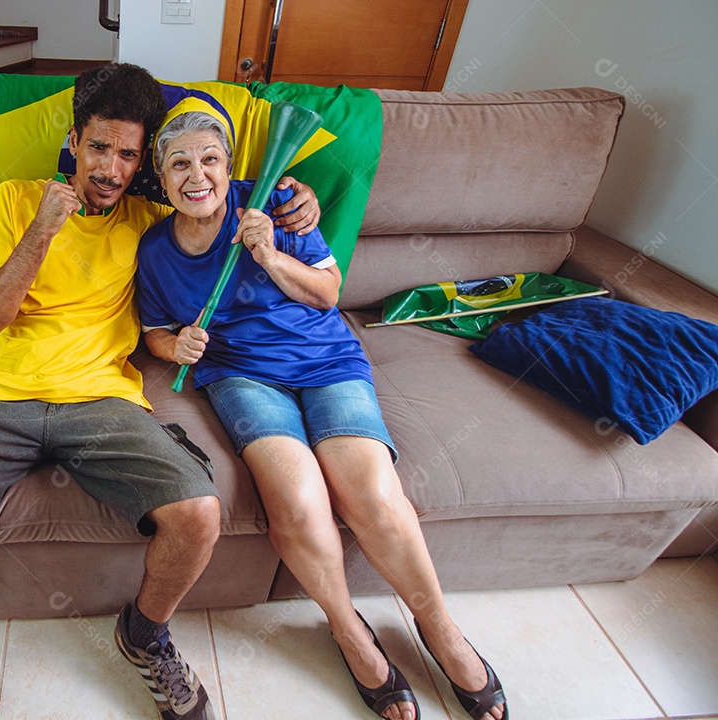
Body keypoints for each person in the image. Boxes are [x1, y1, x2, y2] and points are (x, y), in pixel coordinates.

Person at [0, 64, 320, 720]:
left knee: (199, 514)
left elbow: (223, 197)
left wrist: (299, 201)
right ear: (75, 140)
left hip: (103, 401)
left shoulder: (151, 219)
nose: (111, 168)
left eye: (128, 154)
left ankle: (143, 634)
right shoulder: (17, 199)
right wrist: (43, 229)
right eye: (100, 147)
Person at [135, 108, 509, 720]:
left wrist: (270, 256)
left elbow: (328, 293)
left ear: (230, 168)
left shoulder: (279, 202)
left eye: (210, 160)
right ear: (162, 177)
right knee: (299, 502)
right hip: (240, 374)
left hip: (328, 360)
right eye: (179, 163)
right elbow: (153, 330)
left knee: (373, 497)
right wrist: (172, 346)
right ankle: (347, 629)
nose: (196, 175)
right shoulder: (154, 250)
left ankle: (440, 629)